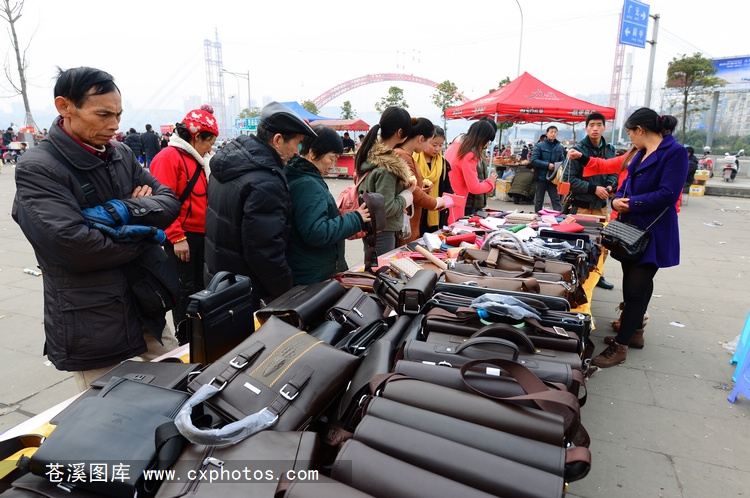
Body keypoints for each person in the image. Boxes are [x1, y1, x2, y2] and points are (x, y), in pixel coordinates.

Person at [12, 66, 181, 391]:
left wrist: (120, 212)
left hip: (145, 303)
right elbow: (76, 248)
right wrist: (147, 231)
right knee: (109, 411)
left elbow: (169, 202)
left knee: (179, 389)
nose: (114, 125)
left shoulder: (121, 153)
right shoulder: (39, 168)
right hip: (91, 319)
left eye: (118, 115)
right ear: (64, 106)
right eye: (103, 114)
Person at [590, 109, 687, 368]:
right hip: (630, 230)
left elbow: (669, 193)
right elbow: (626, 183)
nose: (630, 137)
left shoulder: (675, 152)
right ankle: (635, 332)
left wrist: (632, 203)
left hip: (654, 231)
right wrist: (617, 199)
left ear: (640, 130)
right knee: (635, 284)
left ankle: (620, 346)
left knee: (635, 288)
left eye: (630, 132)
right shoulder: (641, 152)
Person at [204, 101, 316, 314]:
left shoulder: (229, 163)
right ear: (278, 140)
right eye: (297, 144)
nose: (297, 152)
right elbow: (265, 252)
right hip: (249, 291)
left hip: (222, 281)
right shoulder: (265, 180)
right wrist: (285, 292)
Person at [149, 106, 217, 339]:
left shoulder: (197, 159)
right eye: (209, 142)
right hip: (182, 237)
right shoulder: (169, 158)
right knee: (184, 290)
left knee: (200, 288)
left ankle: (201, 336)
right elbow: (161, 204)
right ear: (196, 137)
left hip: (201, 235)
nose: (210, 148)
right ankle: (186, 339)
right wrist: (176, 237)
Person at [285, 125, 370, 285]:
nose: (333, 164)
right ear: (313, 153)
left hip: (311, 268)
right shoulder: (307, 184)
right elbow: (316, 232)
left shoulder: (300, 176)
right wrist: (356, 218)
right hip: (316, 274)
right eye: (332, 158)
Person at [355, 106, 416, 256]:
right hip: (384, 230)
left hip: (372, 227)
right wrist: (407, 195)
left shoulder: (369, 154)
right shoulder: (388, 166)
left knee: (372, 264)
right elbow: (387, 208)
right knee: (382, 267)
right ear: (400, 132)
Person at [568, 112, 618, 290]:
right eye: (591, 125)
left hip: (601, 206)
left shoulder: (609, 149)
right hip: (581, 206)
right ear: (586, 128)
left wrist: (610, 185)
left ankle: (598, 274)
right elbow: (570, 180)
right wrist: (594, 189)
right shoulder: (577, 150)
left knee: (603, 244)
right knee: (580, 243)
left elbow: (614, 172)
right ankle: (576, 276)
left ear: (605, 127)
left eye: (599, 125)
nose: (595, 128)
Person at [394, 117, 444, 243]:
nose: (437, 148)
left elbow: (408, 187)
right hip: (406, 219)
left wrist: (420, 189)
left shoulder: (404, 154)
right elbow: (413, 189)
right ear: (421, 139)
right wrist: (435, 203)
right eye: (431, 142)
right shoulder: (403, 156)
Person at [445, 119, 498, 216]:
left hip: (446, 198)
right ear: (482, 138)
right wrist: (490, 183)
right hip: (457, 202)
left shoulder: (455, 146)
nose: (486, 145)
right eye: (487, 141)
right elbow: (474, 187)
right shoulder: (469, 155)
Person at [414, 125, 453, 233]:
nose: (437, 149)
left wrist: (449, 199)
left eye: (441, 145)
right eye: (434, 145)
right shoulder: (413, 159)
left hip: (438, 212)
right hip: (418, 210)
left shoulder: (443, 163)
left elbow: (447, 187)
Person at [529, 125, 564, 213]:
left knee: (556, 199)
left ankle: (558, 216)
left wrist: (560, 167)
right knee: (539, 200)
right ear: (547, 134)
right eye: (551, 132)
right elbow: (533, 160)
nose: (553, 134)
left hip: (554, 178)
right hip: (541, 177)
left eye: (555, 132)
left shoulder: (559, 146)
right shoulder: (539, 146)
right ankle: (538, 216)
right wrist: (547, 165)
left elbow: (563, 160)